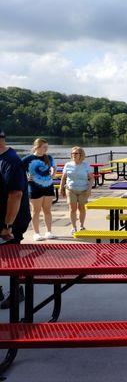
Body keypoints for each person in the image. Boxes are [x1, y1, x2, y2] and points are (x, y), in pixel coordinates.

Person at [0, 128, 30, 307]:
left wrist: (7, 225)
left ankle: (17, 291)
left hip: (11, 220)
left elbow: (16, 195)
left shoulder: (11, 161)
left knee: (12, 258)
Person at [22, 138, 57, 241]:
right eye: (44, 147)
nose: (46, 149)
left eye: (47, 147)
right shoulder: (28, 159)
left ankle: (48, 232)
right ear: (37, 147)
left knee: (47, 210)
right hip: (34, 188)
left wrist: (53, 175)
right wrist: (26, 178)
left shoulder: (49, 157)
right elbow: (17, 170)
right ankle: (36, 233)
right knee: (36, 211)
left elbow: (54, 167)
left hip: (48, 187)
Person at [59, 146, 94, 234]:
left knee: (81, 208)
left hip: (83, 190)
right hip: (71, 189)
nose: (74, 155)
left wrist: (89, 189)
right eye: (72, 153)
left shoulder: (86, 165)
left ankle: (82, 226)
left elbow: (91, 178)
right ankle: (74, 227)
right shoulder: (68, 164)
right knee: (72, 209)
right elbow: (63, 178)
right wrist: (61, 188)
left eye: (76, 153)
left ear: (80, 155)